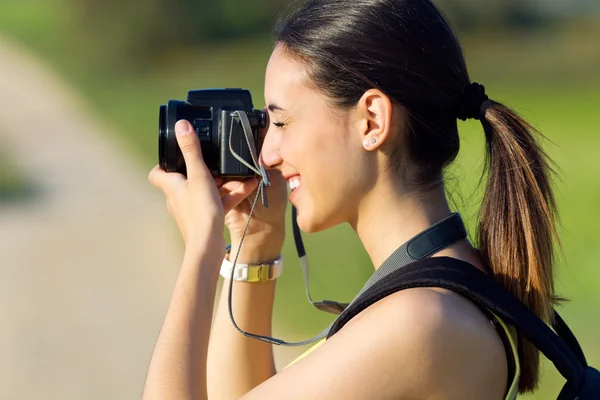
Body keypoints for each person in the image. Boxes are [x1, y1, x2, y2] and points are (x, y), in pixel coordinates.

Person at [143, 0, 559, 399]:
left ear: (372, 121)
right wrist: (253, 245)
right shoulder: (448, 286)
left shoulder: (417, 322)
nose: (267, 153)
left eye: (283, 121)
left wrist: (201, 247)